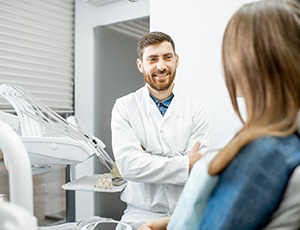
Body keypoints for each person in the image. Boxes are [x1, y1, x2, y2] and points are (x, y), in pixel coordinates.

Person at [139, 0, 300, 229]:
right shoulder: (273, 140)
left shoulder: (264, 154)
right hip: (148, 211)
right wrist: (172, 222)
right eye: (153, 59)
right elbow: (130, 165)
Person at [111, 31, 211, 229]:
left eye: (167, 57)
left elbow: (199, 167)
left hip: (186, 210)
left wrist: (147, 159)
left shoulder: (196, 109)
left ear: (176, 60)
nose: (161, 66)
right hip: (139, 214)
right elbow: (129, 166)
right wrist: (184, 162)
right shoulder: (124, 107)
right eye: (152, 59)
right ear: (141, 65)